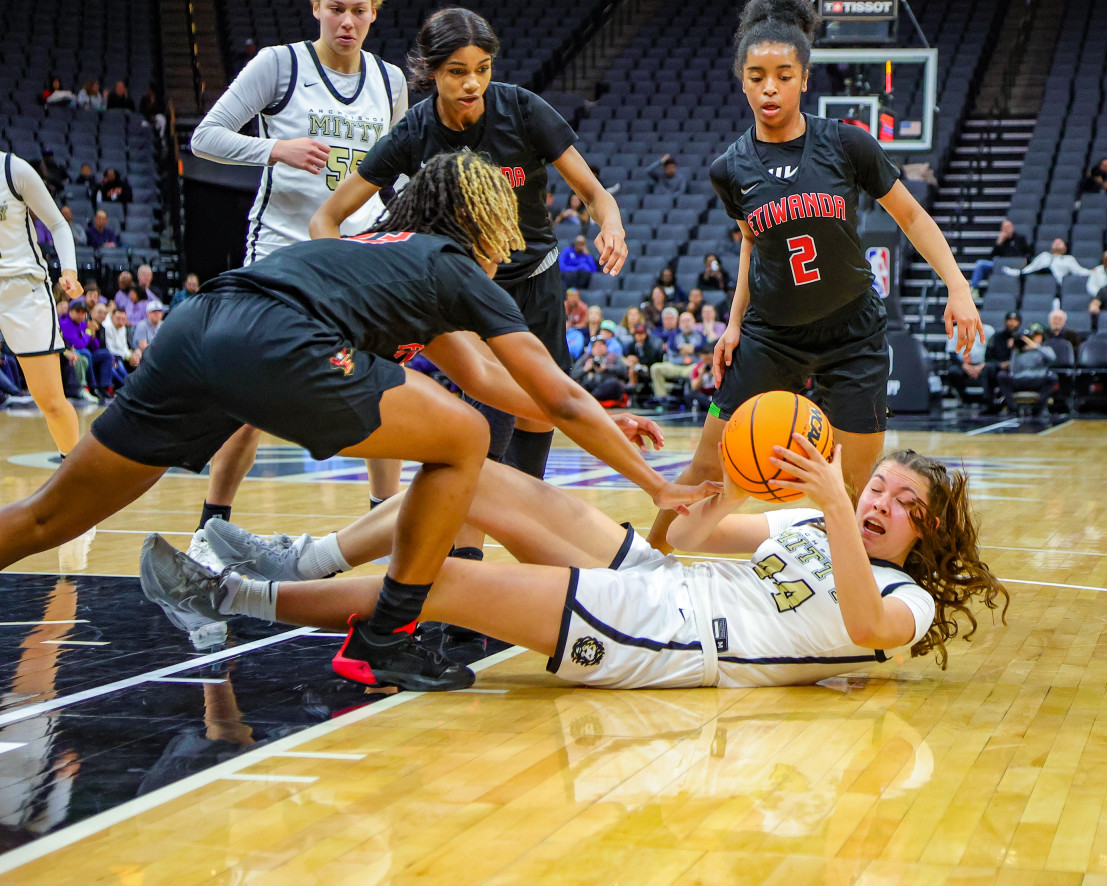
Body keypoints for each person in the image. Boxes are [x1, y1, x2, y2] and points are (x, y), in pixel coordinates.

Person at [0, 153, 709, 690]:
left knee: (47, 517)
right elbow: (553, 400)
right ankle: (385, 637)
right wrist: (653, 482)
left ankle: (373, 623)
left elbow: (496, 382)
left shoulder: (390, 261)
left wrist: (612, 427)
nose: (509, 241)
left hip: (198, 328)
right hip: (275, 337)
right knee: (463, 436)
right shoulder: (451, 262)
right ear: (478, 219)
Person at [143, 444, 1007, 689]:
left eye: (904, 507)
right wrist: (713, 492)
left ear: (925, 540)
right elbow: (696, 543)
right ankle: (307, 555)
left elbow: (866, 629)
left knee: (444, 583)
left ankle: (233, 599)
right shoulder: (816, 526)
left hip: (678, 638)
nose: (881, 503)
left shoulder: (902, 596)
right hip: (670, 582)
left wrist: (832, 514)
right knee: (478, 480)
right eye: (881, 488)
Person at [648, 0, 982, 551]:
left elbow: (912, 215)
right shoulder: (728, 169)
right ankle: (647, 563)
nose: (770, 88)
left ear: (804, 78)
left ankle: (849, 598)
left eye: (783, 76)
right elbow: (754, 245)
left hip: (853, 334)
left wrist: (958, 286)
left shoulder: (847, 143)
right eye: (757, 77)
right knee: (708, 462)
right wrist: (733, 324)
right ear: (743, 83)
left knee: (854, 487)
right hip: (768, 336)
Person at [308, 7, 629, 569]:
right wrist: (343, 277)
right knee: (483, 425)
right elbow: (326, 217)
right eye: (457, 71)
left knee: (537, 416)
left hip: (535, 283)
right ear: (430, 72)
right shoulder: (414, 130)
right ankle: (465, 564)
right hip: (467, 291)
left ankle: (523, 551)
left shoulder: (522, 109)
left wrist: (612, 224)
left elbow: (596, 193)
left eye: (482, 68)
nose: (472, 83)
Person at [188, 0, 410, 531]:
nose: (347, 22)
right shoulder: (279, 65)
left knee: (383, 385)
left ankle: (384, 525)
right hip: (283, 250)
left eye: (359, 10)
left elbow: (395, 168)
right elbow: (204, 138)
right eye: (336, 8)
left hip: (362, 254)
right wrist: (275, 149)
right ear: (316, 7)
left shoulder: (391, 80)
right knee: (249, 396)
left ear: (375, 12)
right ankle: (210, 527)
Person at [0, 151, 85, 457]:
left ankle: (75, 477)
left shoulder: (12, 169)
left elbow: (58, 224)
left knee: (50, 400)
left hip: (23, 291)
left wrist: (69, 272)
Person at [59, 297, 114, 401]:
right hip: (68, 353)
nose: (80, 315)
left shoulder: (83, 323)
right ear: (70, 311)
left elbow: (95, 347)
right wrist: (88, 332)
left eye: (83, 312)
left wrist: (92, 335)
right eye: (78, 312)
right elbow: (78, 344)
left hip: (85, 353)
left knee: (106, 354)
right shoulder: (65, 323)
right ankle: (92, 387)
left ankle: (104, 387)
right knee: (86, 354)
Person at [995, 323, 1056, 417]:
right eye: (1033, 336)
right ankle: (1012, 407)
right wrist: (1015, 351)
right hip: (1020, 380)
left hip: (1037, 380)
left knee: (1052, 377)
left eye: (1037, 336)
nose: (1035, 338)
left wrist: (1036, 347)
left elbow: (1052, 358)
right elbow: (1013, 370)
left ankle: (1038, 408)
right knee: (1001, 375)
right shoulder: (1020, 351)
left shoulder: (1045, 349)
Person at [968, 219, 1029, 294]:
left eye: (1008, 227)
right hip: (1000, 266)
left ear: (1012, 228)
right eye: (1004, 227)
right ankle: (974, 289)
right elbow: (992, 256)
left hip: (1014, 266)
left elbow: (1027, 253)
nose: (1006, 229)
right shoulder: (1000, 241)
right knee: (980, 264)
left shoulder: (1020, 239)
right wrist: (999, 243)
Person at [1002, 237, 1089, 285]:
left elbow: (1079, 271)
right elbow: (1032, 267)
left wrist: (1091, 272)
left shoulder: (1069, 259)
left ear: (1065, 247)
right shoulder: (1044, 255)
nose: (1057, 243)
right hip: (1037, 277)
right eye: (1055, 242)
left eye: (1060, 242)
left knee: (1048, 269)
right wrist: (1022, 272)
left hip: (1054, 279)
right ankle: (1017, 273)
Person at [570, 336, 626, 402]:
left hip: (607, 386)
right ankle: (589, 398)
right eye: (595, 346)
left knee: (614, 383)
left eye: (601, 345)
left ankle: (590, 399)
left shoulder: (613, 356)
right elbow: (572, 375)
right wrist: (585, 369)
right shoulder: (586, 357)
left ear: (606, 347)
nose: (598, 348)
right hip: (590, 385)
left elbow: (624, 372)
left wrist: (606, 368)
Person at [623, 322, 663, 403]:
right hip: (634, 366)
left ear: (645, 334)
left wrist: (638, 360)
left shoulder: (651, 345)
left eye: (641, 333)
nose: (639, 336)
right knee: (631, 369)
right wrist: (629, 359)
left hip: (648, 368)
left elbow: (652, 360)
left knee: (633, 370)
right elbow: (626, 355)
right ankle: (631, 395)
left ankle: (633, 397)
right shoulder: (632, 345)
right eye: (637, 334)